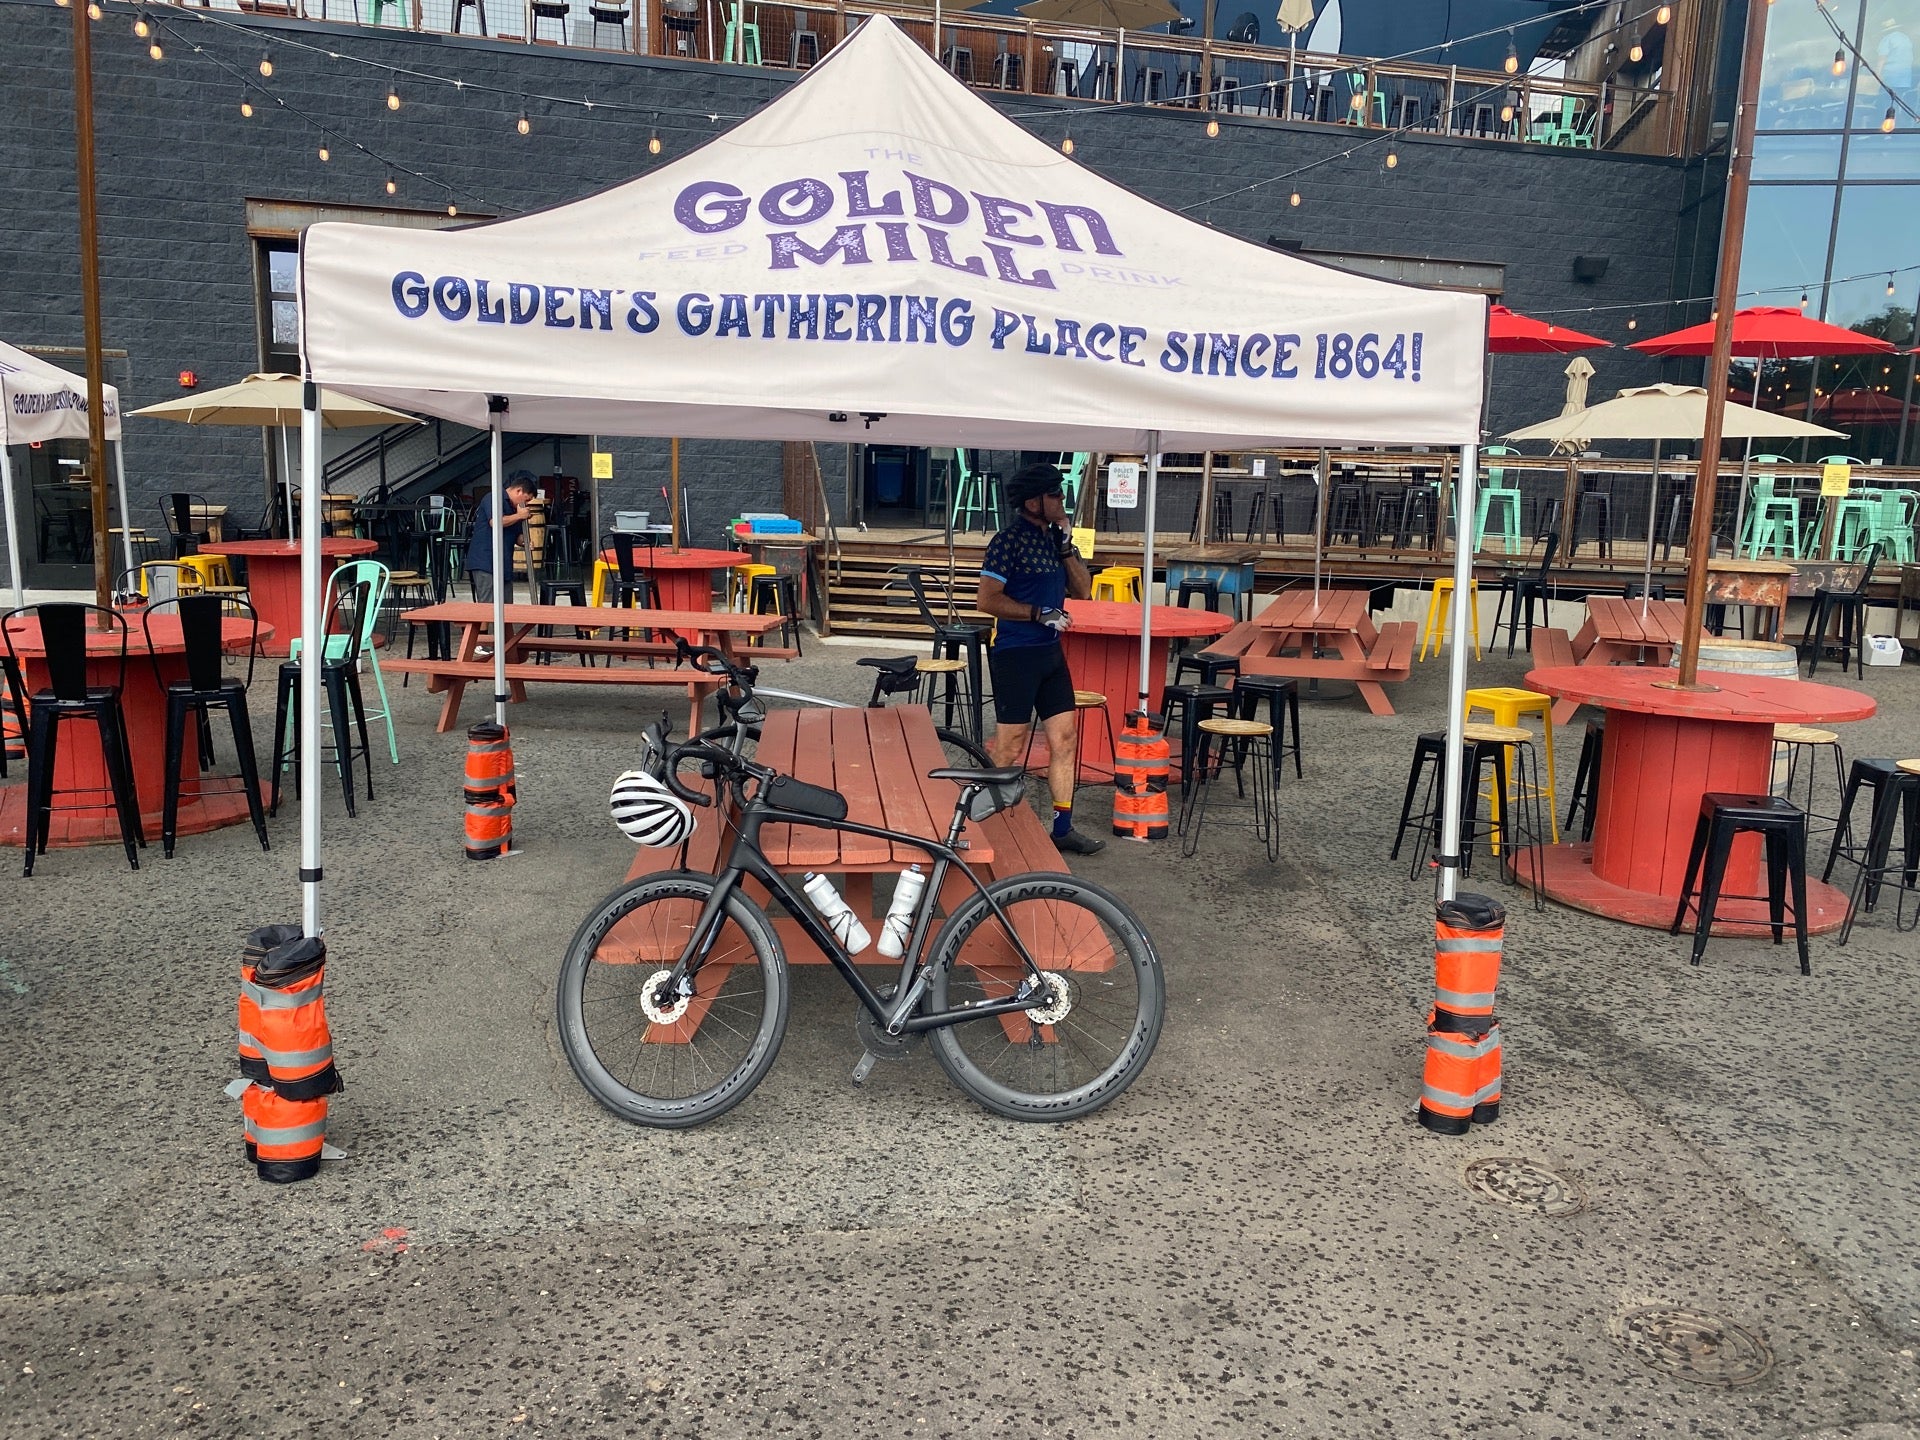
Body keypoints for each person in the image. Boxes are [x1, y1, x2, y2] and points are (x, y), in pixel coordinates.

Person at [974, 461, 1103, 856]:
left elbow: (1084, 591)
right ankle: (984, 828)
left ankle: (1062, 829)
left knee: (1065, 739)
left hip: (1050, 653)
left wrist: (1066, 549)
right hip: (1016, 654)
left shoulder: (1055, 541)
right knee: (1010, 745)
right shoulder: (1007, 542)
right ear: (1033, 502)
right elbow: (986, 600)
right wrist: (1036, 612)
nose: (1062, 500)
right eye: (1055, 494)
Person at [466, 472, 537, 604]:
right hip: (486, 561)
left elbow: (516, 535)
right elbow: (495, 522)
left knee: (507, 606)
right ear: (519, 491)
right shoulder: (493, 497)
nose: (526, 504)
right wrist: (519, 516)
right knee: (487, 606)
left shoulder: (515, 508)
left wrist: (524, 542)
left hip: (504, 563)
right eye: (526, 499)